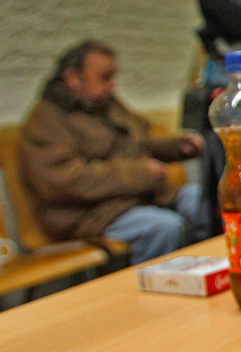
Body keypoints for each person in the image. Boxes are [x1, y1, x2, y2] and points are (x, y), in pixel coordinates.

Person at [19, 41, 205, 265]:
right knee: (163, 227)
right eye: (105, 77)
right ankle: (159, 290)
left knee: (201, 200)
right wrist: (140, 173)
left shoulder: (107, 105)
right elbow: (65, 179)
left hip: (139, 199)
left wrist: (179, 146)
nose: (112, 84)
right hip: (90, 215)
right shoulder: (46, 120)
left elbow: (141, 142)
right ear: (73, 78)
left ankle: (216, 275)